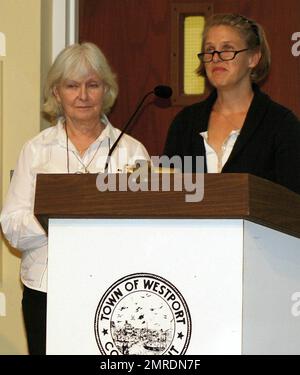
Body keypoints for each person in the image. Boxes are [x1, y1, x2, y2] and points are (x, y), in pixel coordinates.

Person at [0, 42, 150, 355]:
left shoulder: (132, 152)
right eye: (71, 85)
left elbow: (147, 230)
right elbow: (12, 226)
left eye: (92, 85)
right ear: (57, 93)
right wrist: (59, 218)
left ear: (106, 91)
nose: (82, 95)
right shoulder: (36, 150)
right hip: (46, 290)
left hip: (114, 292)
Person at [164, 13, 300, 194]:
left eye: (227, 49)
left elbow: (292, 203)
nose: (216, 57)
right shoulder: (185, 123)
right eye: (210, 50)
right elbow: (166, 192)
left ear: (253, 58)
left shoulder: (280, 124)